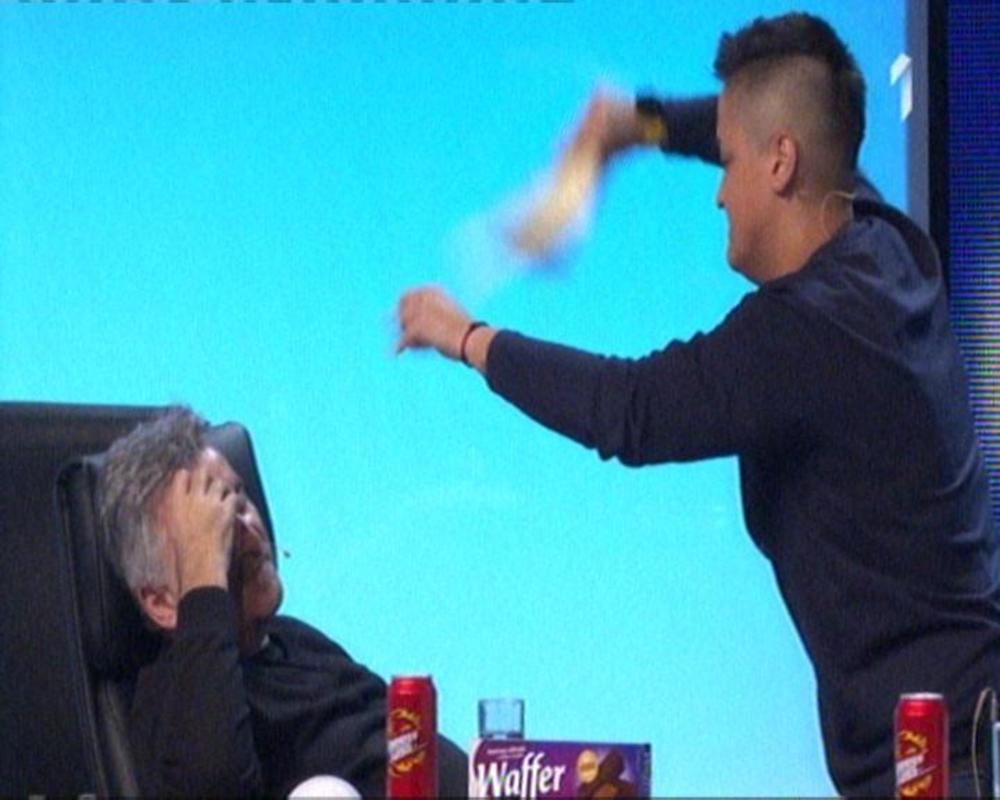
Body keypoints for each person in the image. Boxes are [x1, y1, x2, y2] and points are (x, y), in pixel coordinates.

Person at [395, 12, 1000, 797]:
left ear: (779, 162)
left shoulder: (807, 332)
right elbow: (778, 119)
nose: (718, 193)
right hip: (962, 735)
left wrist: (467, 337)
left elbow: (631, 409)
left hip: (933, 769)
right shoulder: (882, 242)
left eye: (728, 161)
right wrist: (635, 124)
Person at [98, 406, 467, 797]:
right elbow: (216, 787)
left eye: (240, 502)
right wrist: (205, 582)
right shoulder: (174, 702)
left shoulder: (297, 640)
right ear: (160, 602)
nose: (248, 531)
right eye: (215, 527)